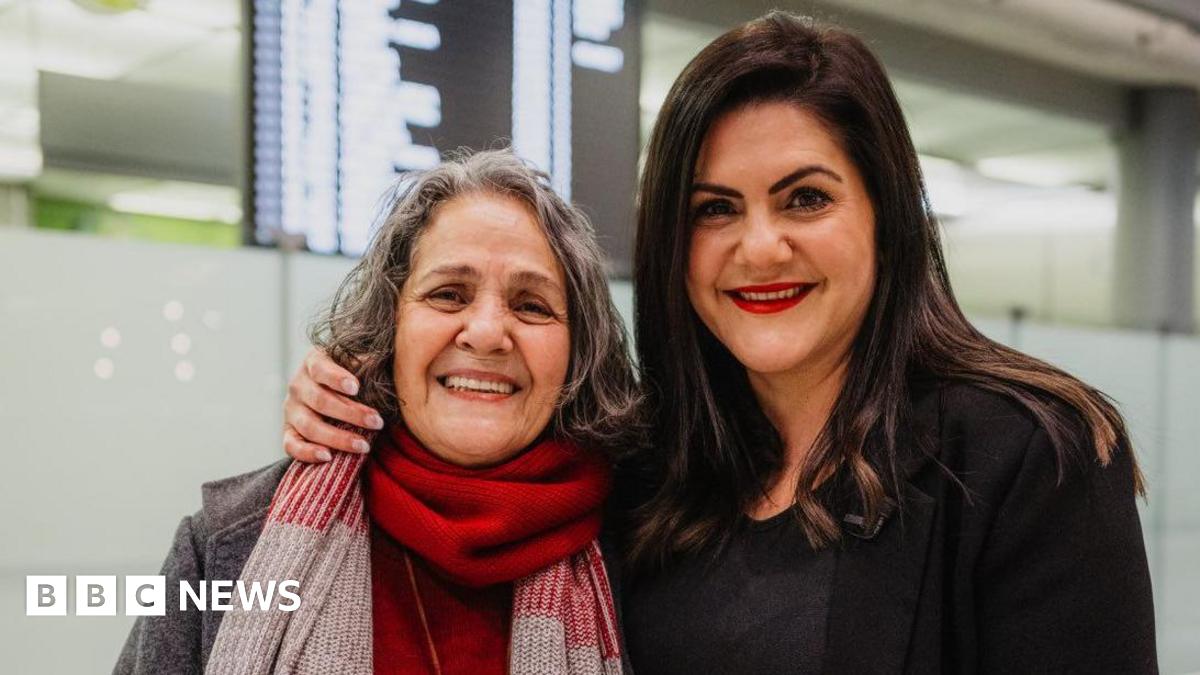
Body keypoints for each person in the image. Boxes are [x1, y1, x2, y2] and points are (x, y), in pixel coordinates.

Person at [279, 12, 1156, 674]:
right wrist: (354, 401)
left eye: (805, 198)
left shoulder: (1028, 454)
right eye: (715, 209)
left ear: (886, 218)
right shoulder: (648, 469)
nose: (760, 246)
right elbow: (480, 436)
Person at [116, 150, 643, 674]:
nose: (485, 333)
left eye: (531, 305)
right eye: (448, 294)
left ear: (580, 350)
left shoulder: (651, 546)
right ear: (390, 324)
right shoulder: (225, 545)